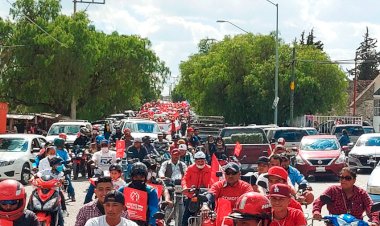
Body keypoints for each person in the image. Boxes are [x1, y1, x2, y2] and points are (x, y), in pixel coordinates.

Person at [313, 167, 379, 226]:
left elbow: (371, 207)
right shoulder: (332, 190)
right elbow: (319, 201)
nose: (343, 180)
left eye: (348, 178)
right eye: (341, 177)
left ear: (354, 180)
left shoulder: (362, 193)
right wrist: (316, 212)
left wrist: (375, 221)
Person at [181, 151, 211, 226]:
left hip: (206, 194)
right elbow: (184, 179)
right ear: (195, 161)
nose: (200, 163)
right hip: (192, 194)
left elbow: (214, 180)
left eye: (202, 161)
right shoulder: (190, 168)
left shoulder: (210, 169)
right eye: (198, 161)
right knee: (186, 215)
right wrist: (185, 188)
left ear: (205, 160)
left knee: (212, 213)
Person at [54, 137, 75, 202]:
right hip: (53, 167)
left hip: (62, 167)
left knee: (68, 179)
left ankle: (72, 194)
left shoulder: (64, 150)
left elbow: (68, 157)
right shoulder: (53, 150)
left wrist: (68, 161)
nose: (64, 145)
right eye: (62, 143)